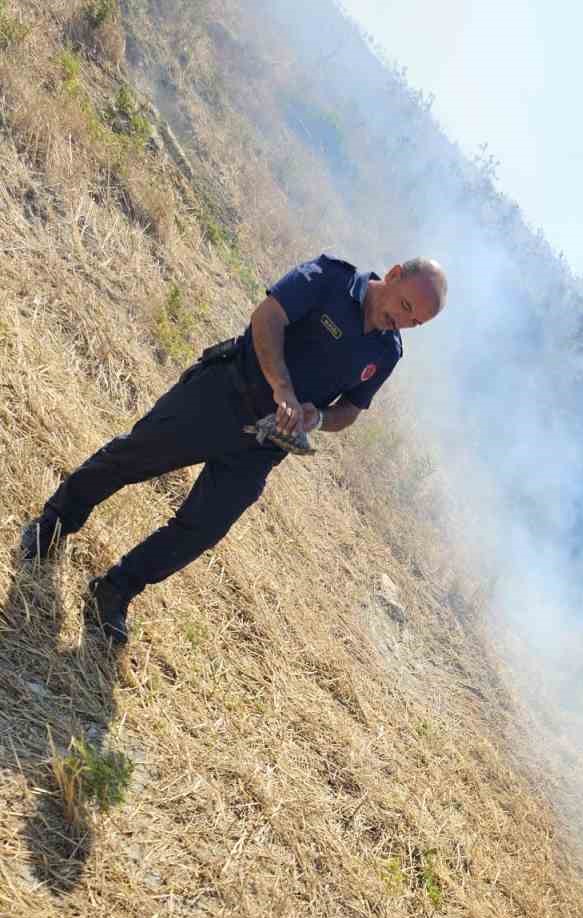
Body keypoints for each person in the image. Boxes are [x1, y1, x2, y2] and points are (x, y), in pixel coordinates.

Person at [20, 254, 448, 644]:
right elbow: (268, 317)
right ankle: (54, 523)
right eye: (406, 307)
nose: (403, 322)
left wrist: (314, 418)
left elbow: (351, 409)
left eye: (416, 323)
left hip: (265, 444)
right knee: (132, 458)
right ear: (392, 276)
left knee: (203, 527)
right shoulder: (330, 280)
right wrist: (282, 387)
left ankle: (115, 590)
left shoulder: (387, 353)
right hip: (224, 394)